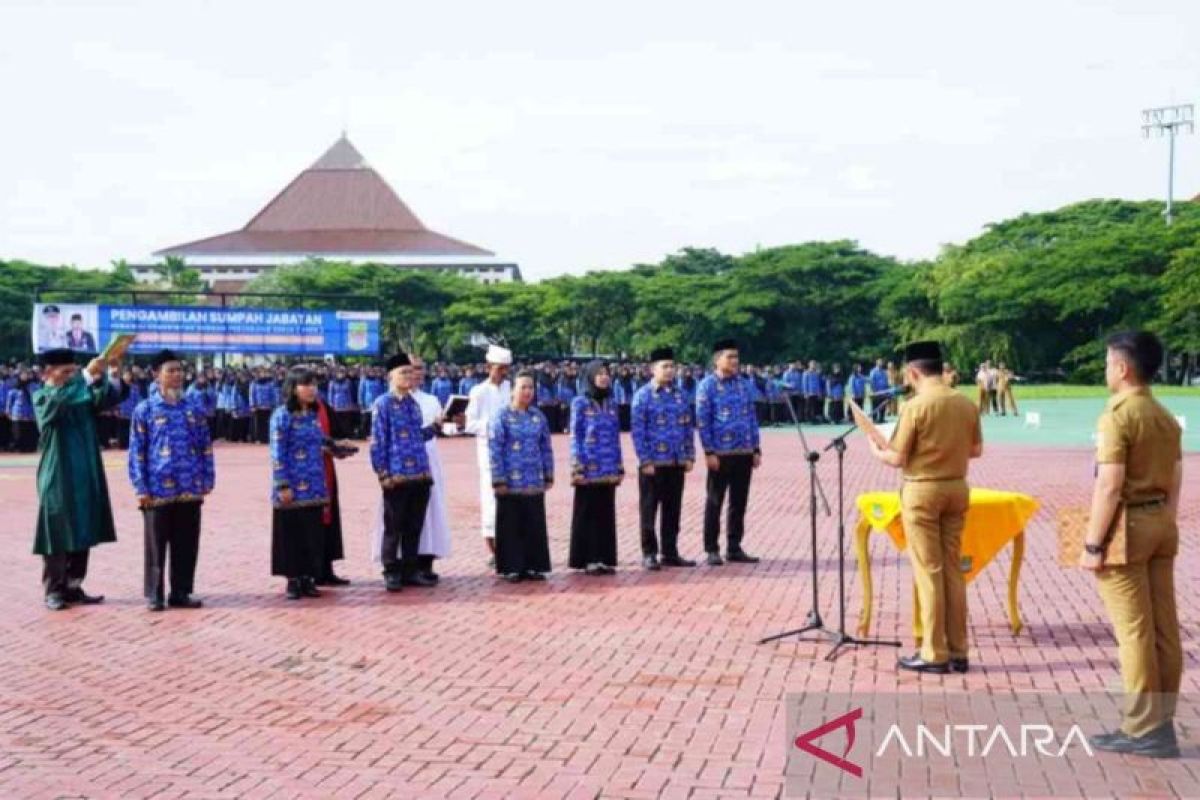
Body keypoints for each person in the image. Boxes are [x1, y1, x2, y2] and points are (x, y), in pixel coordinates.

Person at [1080, 331, 1183, 758]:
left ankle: (1142, 727)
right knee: (1163, 629)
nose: (1106, 370)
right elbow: (1176, 477)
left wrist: (1091, 544)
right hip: (1160, 519)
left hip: (1127, 523)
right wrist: (1164, 519)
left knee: (1134, 630)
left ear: (1122, 368)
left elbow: (1109, 485)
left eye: (1108, 363)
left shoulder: (1117, 416)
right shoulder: (1163, 415)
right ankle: (1160, 722)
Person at [867, 340, 982, 674]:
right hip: (957, 486)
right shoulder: (965, 402)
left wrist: (876, 449)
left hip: (922, 489)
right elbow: (976, 450)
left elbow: (898, 457)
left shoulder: (915, 407)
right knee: (953, 570)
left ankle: (934, 651)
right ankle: (959, 650)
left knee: (928, 571)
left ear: (913, 372)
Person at [32, 349, 124, 611]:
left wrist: (112, 374)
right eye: (65, 372)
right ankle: (54, 589)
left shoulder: (79, 392)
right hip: (58, 471)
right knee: (57, 528)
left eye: (73, 371)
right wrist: (85, 375)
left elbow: (104, 399)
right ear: (47, 372)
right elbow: (58, 405)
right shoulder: (42, 396)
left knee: (83, 523)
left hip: (85, 468)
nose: (70, 376)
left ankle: (74, 584)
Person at [128, 350, 215, 611]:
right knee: (156, 543)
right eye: (171, 371)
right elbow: (137, 451)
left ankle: (181, 591)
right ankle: (155, 594)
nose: (177, 375)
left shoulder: (193, 408)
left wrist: (207, 477)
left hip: (189, 486)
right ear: (156, 374)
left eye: (180, 370)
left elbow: (205, 446)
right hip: (157, 487)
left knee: (186, 541)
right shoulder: (145, 409)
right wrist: (140, 486)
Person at [372, 355, 452, 584]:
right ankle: (391, 571)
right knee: (393, 527)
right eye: (403, 372)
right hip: (396, 475)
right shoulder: (383, 404)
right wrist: (382, 473)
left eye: (410, 372)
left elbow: (417, 436)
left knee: (414, 526)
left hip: (420, 473)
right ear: (391, 376)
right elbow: (378, 442)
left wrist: (436, 426)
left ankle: (410, 570)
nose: (409, 376)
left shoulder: (412, 404)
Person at [696, 339, 761, 566]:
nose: (735, 361)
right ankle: (711, 548)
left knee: (739, 502)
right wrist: (708, 451)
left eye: (736, 357)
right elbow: (703, 421)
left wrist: (756, 448)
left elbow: (752, 417)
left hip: (743, 451)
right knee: (715, 501)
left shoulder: (744, 384)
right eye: (730, 357)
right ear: (717, 359)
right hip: (720, 453)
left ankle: (734, 546)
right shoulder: (707, 386)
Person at [631, 347, 696, 570]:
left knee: (673, 509)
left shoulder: (681, 395)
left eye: (672, 366)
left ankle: (670, 551)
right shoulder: (643, 396)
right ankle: (649, 552)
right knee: (649, 510)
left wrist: (690, 455)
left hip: (676, 461)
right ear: (652, 370)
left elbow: (688, 427)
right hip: (653, 464)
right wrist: (645, 460)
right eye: (664, 366)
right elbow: (638, 432)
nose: (669, 371)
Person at [269, 367, 329, 600]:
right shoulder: (282, 415)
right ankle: (293, 579)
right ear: (293, 389)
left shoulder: (312, 415)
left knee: (312, 533)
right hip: (292, 484)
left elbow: (318, 441)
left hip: (314, 483)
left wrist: (335, 446)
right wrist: (282, 484)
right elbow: (277, 452)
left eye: (314, 384)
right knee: (291, 533)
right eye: (306, 385)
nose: (312, 389)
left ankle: (308, 577)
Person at [488, 371, 555, 582]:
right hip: (510, 480)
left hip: (533, 479)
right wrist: (498, 478)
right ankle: (512, 568)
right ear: (513, 390)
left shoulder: (538, 416)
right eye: (523, 387)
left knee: (534, 523)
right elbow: (495, 448)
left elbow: (546, 447)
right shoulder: (502, 416)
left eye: (531, 388)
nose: (527, 392)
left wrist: (548, 473)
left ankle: (534, 566)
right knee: (511, 525)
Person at [568, 361, 624, 575]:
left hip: (608, 466)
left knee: (605, 512)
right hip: (588, 466)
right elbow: (576, 435)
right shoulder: (580, 403)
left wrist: (619, 464)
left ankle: (604, 558)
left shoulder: (611, 403)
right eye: (599, 374)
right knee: (587, 513)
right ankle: (588, 558)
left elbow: (616, 435)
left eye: (606, 373)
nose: (604, 377)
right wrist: (577, 466)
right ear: (590, 377)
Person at [464, 345, 513, 564]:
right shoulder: (478, 392)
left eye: (506, 369)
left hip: (511, 452)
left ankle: (511, 543)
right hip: (488, 451)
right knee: (491, 498)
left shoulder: (510, 388)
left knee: (511, 497)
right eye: (500, 368)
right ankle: (494, 548)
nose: (504, 373)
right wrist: (493, 426)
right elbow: (469, 423)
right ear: (489, 367)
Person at [250, 368, 278, 444]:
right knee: (258, 423)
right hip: (258, 406)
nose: (263, 374)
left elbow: (273, 394)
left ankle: (266, 438)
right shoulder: (254, 383)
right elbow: (252, 395)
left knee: (267, 423)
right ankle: (258, 438)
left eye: (264, 373)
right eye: (261, 373)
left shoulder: (270, 383)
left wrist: (274, 404)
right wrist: (252, 405)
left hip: (268, 406)